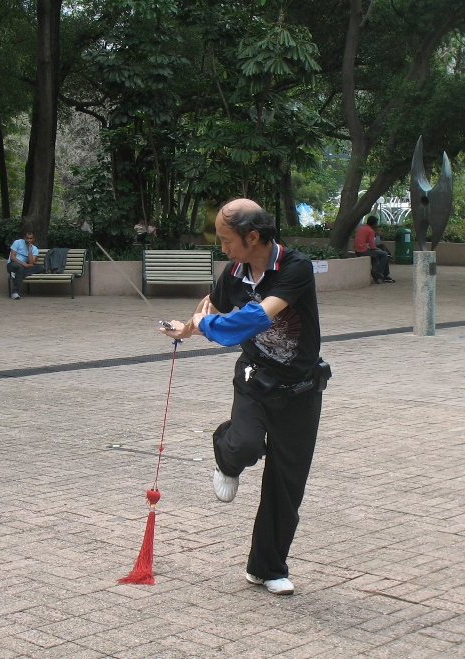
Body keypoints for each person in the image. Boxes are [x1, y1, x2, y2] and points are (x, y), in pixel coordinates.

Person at [161, 198, 330, 596]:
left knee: (287, 484)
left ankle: (267, 568)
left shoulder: (294, 267)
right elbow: (209, 311)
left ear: (253, 237)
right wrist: (185, 329)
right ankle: (227, 455)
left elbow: (256, 317)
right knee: (245, 444)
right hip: (255, 381)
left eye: (226, 240)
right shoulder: (233, 272)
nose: (222, 248)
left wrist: (209, 324)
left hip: (301, 390)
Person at [354, 217, 395, 283]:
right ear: (374, 224)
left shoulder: (361, 228)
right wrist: (378, 249)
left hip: (358, 250)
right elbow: (372, 246)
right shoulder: (370, 231)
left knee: (377, 255)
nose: (377, 225)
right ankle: (378, 273)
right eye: (376, 223)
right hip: (363, 251)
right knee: (384, 254)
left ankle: (377, 275)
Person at [7, 231, 44, 300]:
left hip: (23, 267)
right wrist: (24, 264)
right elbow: (12, 257)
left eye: (31, 238)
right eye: (27, 238)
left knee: (40, 268)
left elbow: (31, 262)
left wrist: (29, 249)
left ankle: (17, 274)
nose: (29, 240)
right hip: (12, 264)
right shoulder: (17, 242)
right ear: (24, 238)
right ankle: (14, 292)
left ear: (33, 239)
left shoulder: (34, 249)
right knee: (19, 268)